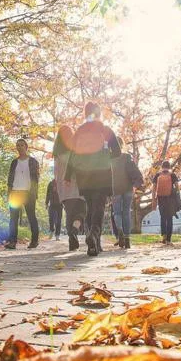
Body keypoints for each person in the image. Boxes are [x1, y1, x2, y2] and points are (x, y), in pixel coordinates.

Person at [64, 102, 121, 256]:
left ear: (86, 114)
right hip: (102, 173)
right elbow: (117, 151)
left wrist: (68, 175)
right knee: (99, 207)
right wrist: (105, 157)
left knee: (90, 206)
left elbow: (73, 155)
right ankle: (94, 235)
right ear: (99, 113)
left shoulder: (80, 131)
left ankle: (93, 243)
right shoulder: (105, 129)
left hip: (84, 175)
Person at [53, 126, 86, 251]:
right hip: (78, 185)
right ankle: (74, 230)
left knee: (70, 214)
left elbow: (56, 173)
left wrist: (57, 185)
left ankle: (72, 239)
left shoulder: (57, 154)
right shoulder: (76, 150)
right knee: (82, 212)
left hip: (64, 188)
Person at [5, 138, 40, 249]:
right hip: (15, 193)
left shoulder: (33, 161)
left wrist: (35, 193)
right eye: (17, 145)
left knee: (31, 217)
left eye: (21, 145)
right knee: (13, 219)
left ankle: (34, 241)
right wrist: (9, 192)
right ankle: (12, 242)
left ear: (26, 147)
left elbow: (36, 179)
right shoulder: (14, 162)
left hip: (28, 193)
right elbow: (10, 178)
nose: (19, 147)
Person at [111, 137, 144, 249]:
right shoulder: (126, 157)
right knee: (126, 213)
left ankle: (119, 230)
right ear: (122, 145)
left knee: (117, 213)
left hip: (116, 189)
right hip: (128, 189)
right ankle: (127, 238)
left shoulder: (110, 159)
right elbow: (136, 173)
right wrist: (135, 186)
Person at [151, 161, 179, 245]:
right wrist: (177, 196)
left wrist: (154, 199)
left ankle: (163, 236)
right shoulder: (172, 175)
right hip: (170, 198)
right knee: (169, 218)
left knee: (162, 217)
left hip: (160, 198)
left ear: (162, 167)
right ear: (169, 167)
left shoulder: (157, 175)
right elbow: (177, 186)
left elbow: (154, 188)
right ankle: (168, 239)